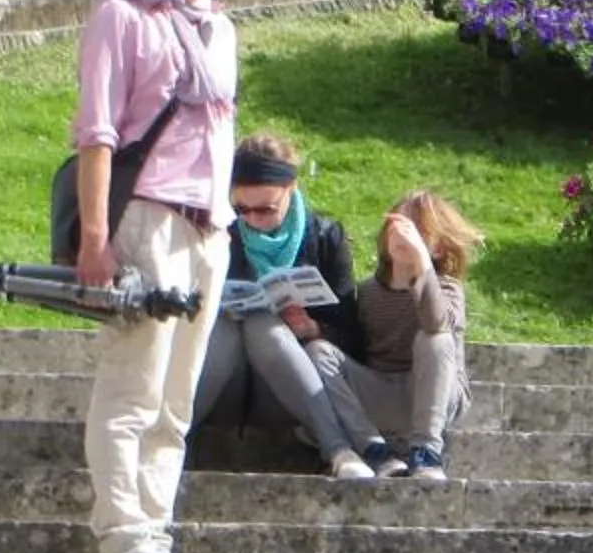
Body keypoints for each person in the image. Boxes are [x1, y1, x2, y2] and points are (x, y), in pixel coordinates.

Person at [74, 0, 242, 553]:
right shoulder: (123, 15)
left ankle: (155, 533)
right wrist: (93, 236)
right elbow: (97, 133)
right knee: (133, 387)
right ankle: (122, 535)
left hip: (210, 227)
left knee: (177, 398)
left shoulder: (223, 29)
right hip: (147, 216)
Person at [192, 133, 376, 479]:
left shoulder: (324, 237)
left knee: (265, 326)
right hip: (221, 381)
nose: (252, 219)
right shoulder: (219, 232)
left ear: (291, 187)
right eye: (241, 208)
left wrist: (312, 329)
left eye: (265, 209)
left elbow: (354, 338)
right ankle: (169, 440)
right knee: (235, 325)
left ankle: (338, 448)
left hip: (289, 389)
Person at [311, 190, 477, 484]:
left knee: (435, 339)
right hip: (381, 392)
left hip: (434, 395)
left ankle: (426, 452)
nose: (404, 235)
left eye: (417, 230)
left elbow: (436, 322)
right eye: (397, 225)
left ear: (437, 248)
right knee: (318, 351)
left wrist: (422, 267)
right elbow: (354, 347)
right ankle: (373, 448)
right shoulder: (369, 292)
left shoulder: (447, 288)